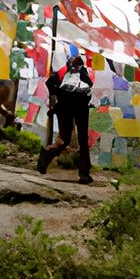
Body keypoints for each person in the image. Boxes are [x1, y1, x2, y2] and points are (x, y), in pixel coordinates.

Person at [37, 56, 94, 184]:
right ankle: (84, 173)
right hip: (80, 108)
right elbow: (90, 85)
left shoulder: (63, 72)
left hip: (64, 107)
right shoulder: (83, 73)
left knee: (65, 140)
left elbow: (49, 83)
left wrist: (58, 95)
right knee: (82, 140)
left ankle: (47, 155)